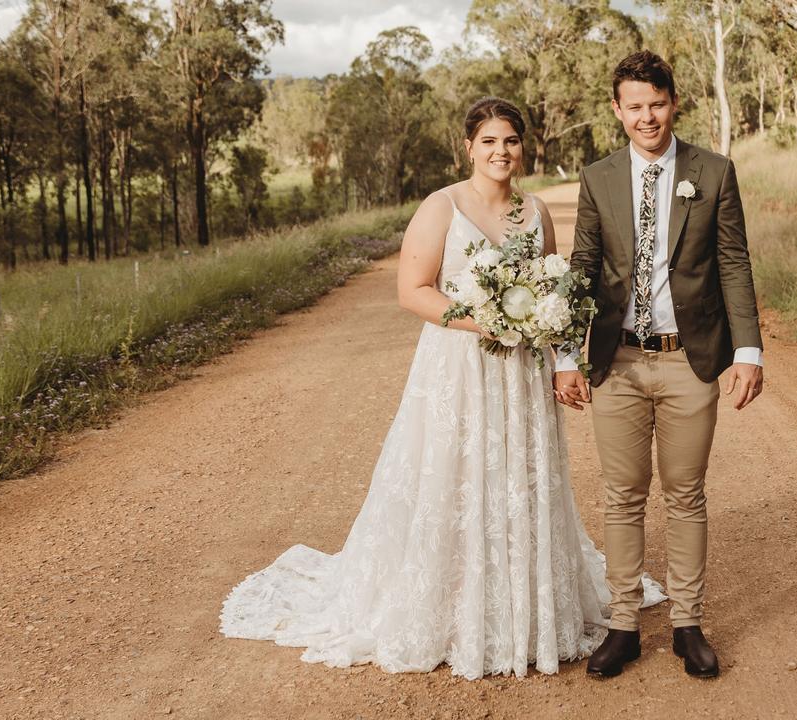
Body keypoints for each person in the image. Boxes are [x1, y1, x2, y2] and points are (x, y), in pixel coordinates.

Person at [218, 97, 663, 681]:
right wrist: (489, 321)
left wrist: (560, 360)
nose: (500, 152)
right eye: (489, 142)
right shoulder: (442, 207)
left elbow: (553, 298)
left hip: (521, 375)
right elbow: (413, 290)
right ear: (469, 147)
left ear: (522, 146)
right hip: (461, 368)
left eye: (510, 141)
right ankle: (454, 611)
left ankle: (521, 611)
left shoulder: (535, 212)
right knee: (456, 479)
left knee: (518, 484)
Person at [553, 50, 764, 680]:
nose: (648, 117)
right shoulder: (597, 178)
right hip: (615, 362)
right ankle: (622, 625)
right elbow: (582, 270)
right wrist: (567, 354)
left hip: (688, 363)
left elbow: (734, 263)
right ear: (618, 111)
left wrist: (748, 351)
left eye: (658, 103)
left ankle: (686, 623)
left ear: (675, 103)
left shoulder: (715, 172)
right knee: (621, 496)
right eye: (635, 106)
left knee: (686, 494)